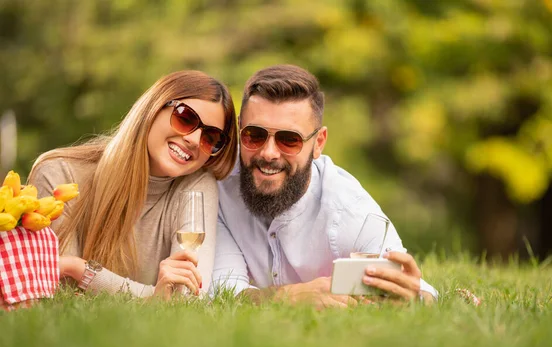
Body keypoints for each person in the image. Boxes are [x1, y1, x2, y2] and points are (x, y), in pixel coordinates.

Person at [211, 64, 438, 307]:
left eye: (289, 140)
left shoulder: (352, 212)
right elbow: (223, 294)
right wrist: (291, 297)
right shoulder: (217, 186)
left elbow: (415, 290)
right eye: (254, 135)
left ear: (318, 142)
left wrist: (416, 298)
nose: (268, 153)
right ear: (239, 130)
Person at [28, 70, 238, 300]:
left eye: (211, 138)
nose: (194, 140)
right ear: (153, 107)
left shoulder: (197, 187)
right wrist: (154, 297)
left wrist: (80, 270)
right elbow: (57, 290)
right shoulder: (59, 174)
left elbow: (187, 297)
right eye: (185, 118)